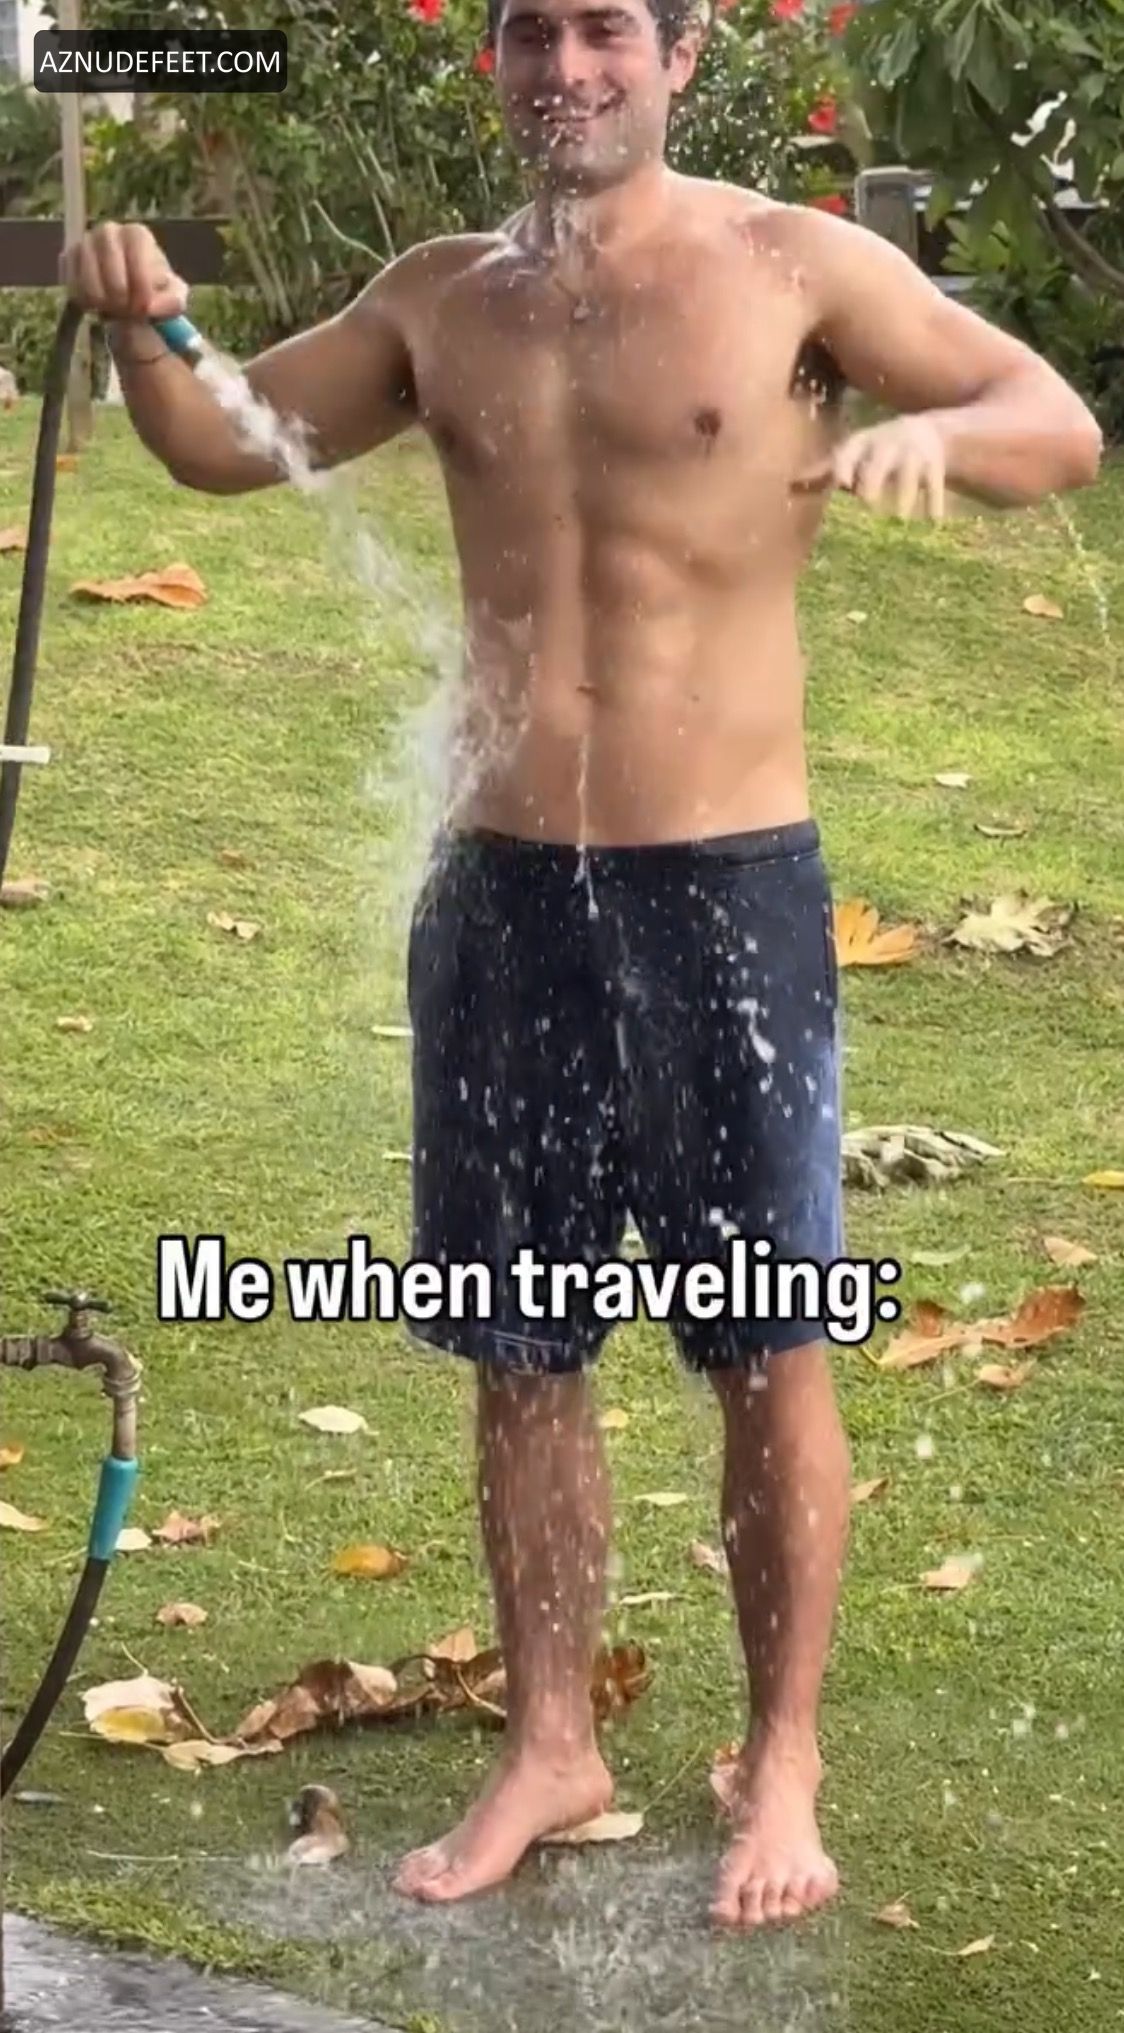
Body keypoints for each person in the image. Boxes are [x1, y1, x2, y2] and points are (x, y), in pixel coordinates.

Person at [62, 0, 1102, 1934]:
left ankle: (780, 1757)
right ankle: (553, 1738)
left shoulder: (794, 267)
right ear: (499, 62)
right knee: (521, 1340)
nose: (567, 66)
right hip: (505, 894)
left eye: (606, 28)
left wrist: (941, 433)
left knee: (766, 1337)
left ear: (679, 58)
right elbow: (217, 444)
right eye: (532, 30)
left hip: (728, 895)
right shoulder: (437, 298)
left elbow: (1057, 420)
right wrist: (146, 323)